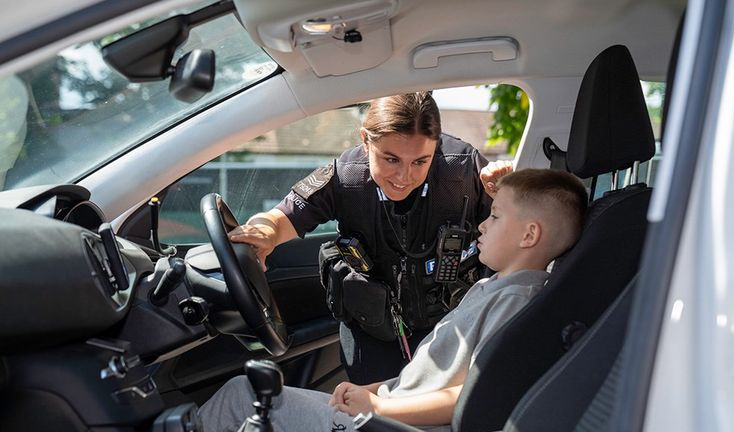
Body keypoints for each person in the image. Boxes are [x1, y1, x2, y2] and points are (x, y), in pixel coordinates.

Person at [200, 168, 589, 432]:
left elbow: (475, 392)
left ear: (529, 235)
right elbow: (433, 377)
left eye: (497, 217)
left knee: (242, 394)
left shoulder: (516, 300)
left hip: (398, 426)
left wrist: (380, 409)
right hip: (392, 411)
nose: (482, 223)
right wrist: (375, 390)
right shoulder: (498, 288)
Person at [229, 92, 513, 384]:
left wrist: (505, 195)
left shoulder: (464, 168)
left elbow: (523, 237)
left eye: (420, 161)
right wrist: (263, 231)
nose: (404, 176)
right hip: (373, 330)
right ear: (365, 140)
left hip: (454, 325)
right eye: (391, 159)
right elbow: (281, 217)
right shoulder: (346, 176)